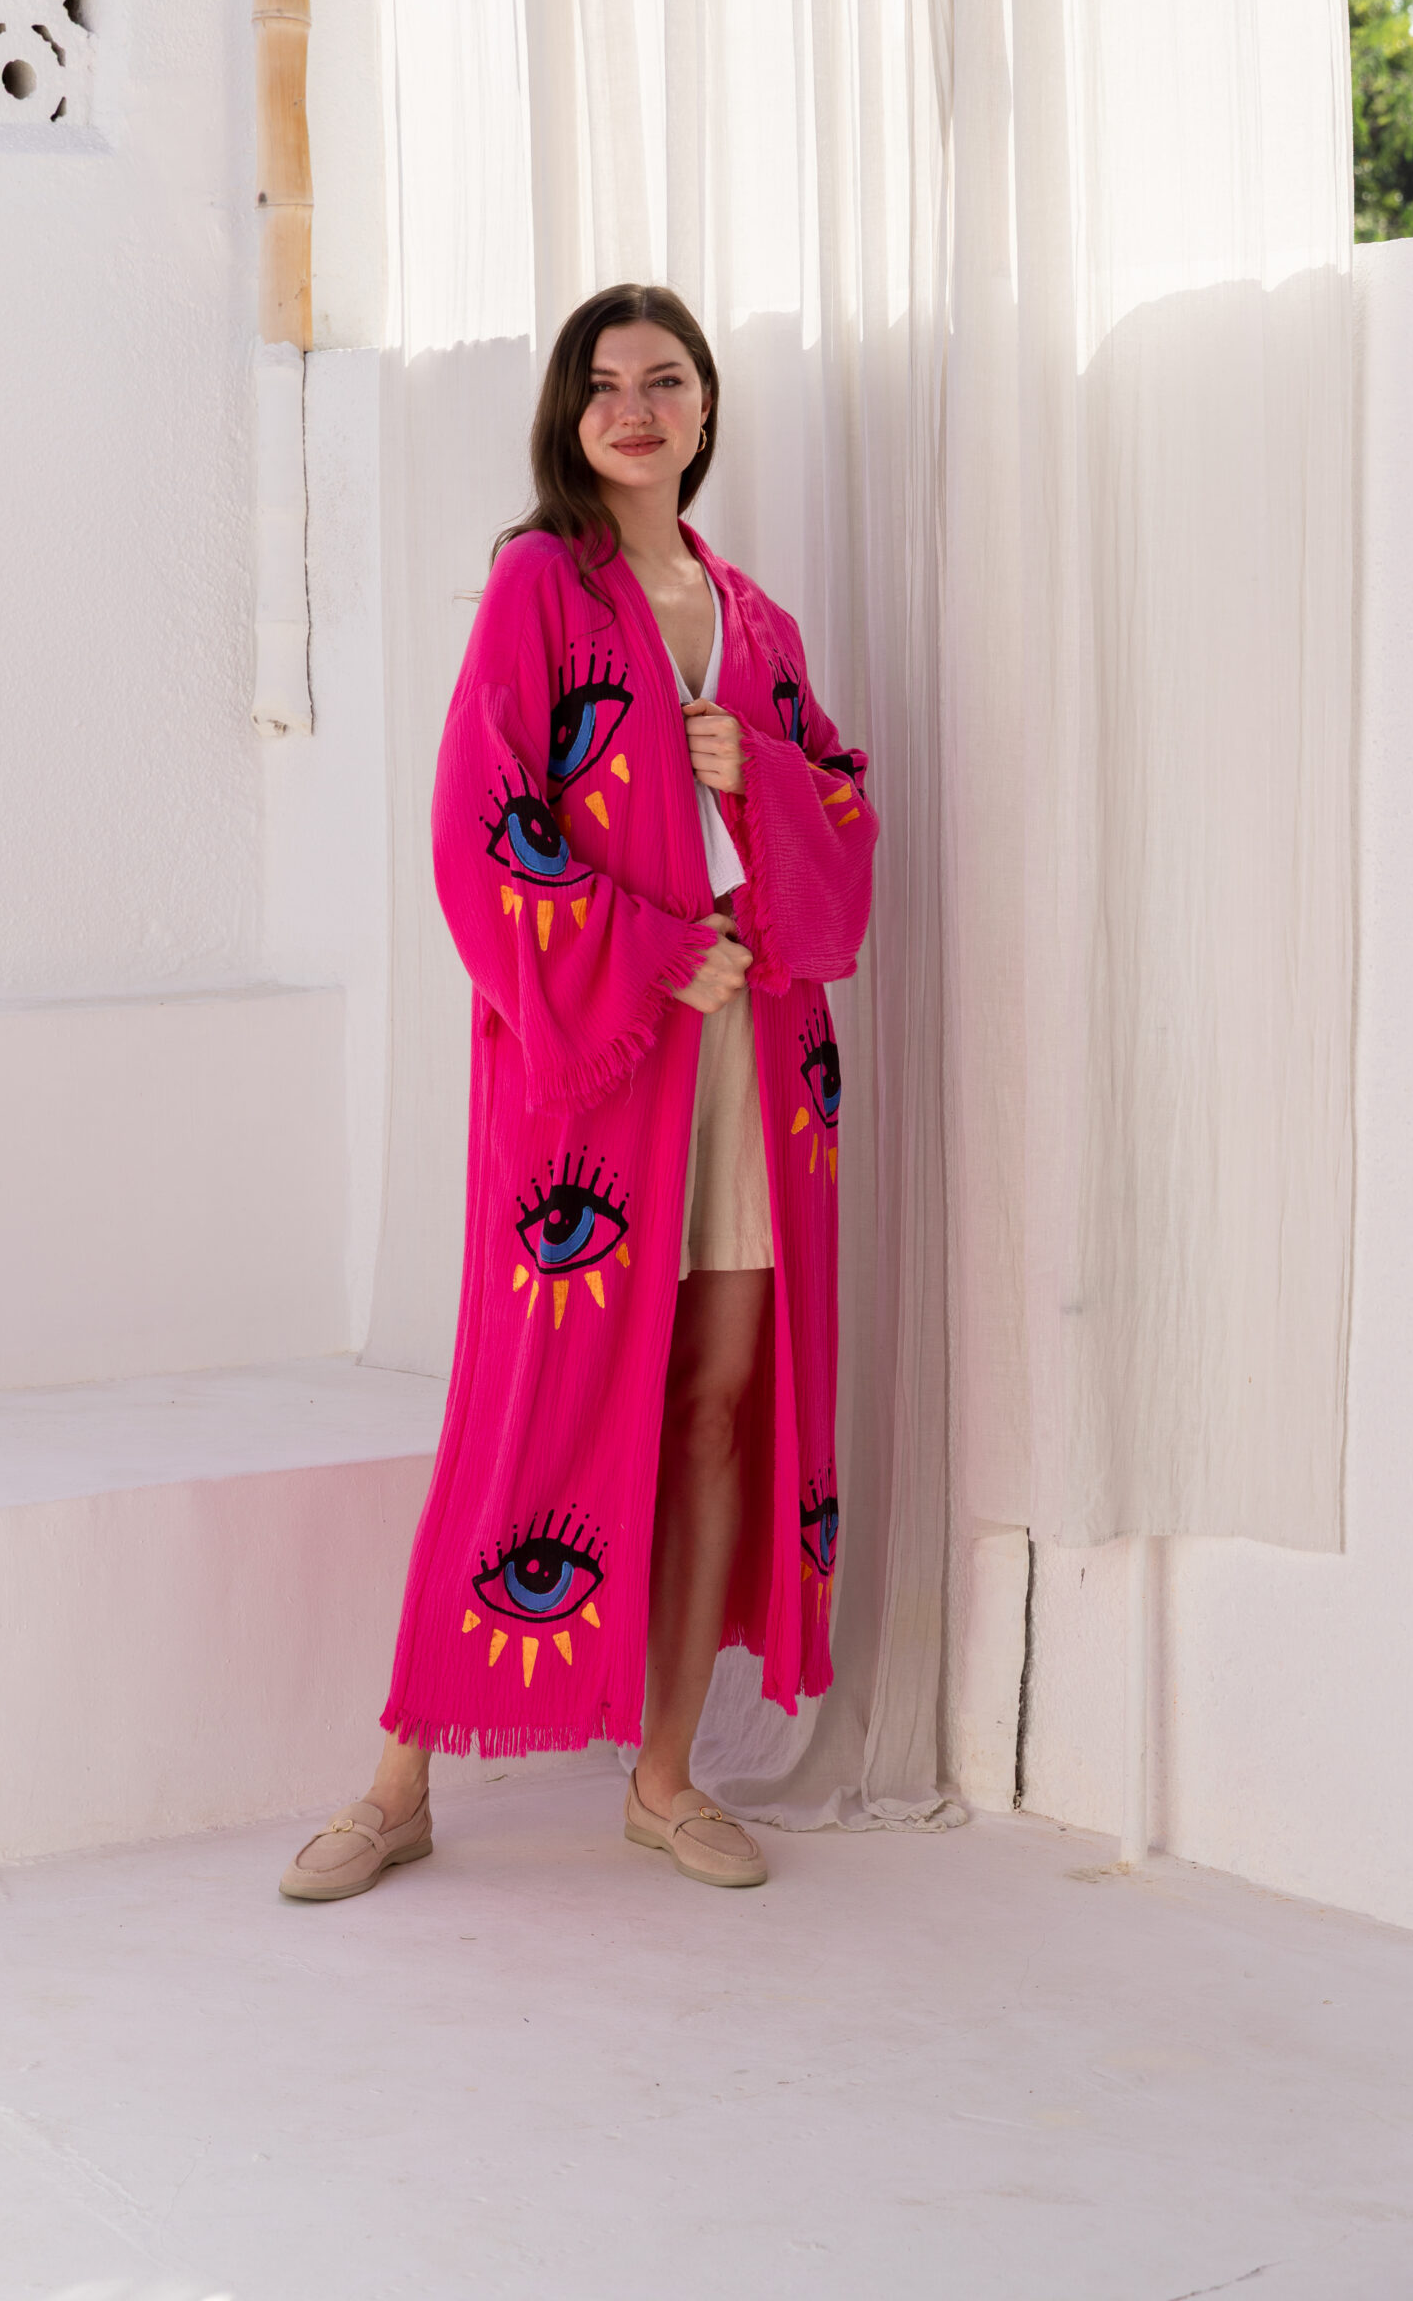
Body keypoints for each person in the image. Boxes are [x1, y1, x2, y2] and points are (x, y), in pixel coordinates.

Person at [280, 284, 875, 1901]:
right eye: (604, 383)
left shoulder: (757, 621)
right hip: (599, 1062)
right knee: (526, 1402)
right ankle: (400, 1782)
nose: (634, 406)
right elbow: (482, 816)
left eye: (664, 380)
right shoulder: (541, 582)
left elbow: (842, 812)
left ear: (704, 408)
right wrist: (651, 952)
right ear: (570, 412)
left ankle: (665, 1780)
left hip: (753, 1062)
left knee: (721, 1395)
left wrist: (761, 770)